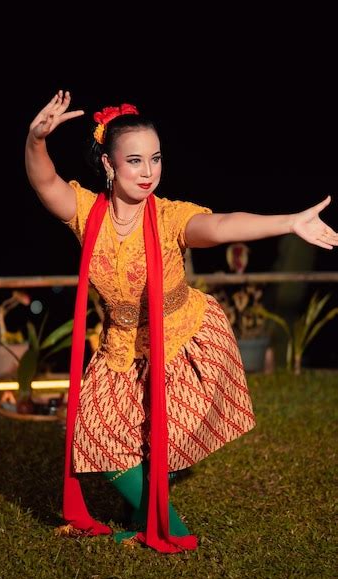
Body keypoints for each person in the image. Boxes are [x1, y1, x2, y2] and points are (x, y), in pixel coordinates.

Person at [25, 89, 337, 554]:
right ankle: (156, 517)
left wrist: (289, 222)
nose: (148, 171)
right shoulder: (87, 213)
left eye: (156, 158)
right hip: (122, 345)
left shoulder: (171, 216)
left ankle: (160, 523)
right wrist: (35, 140)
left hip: (182, 337)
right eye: (135, 160)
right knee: (92, 431)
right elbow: (44, 182)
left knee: (156, 440)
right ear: (109, 164)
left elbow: (222, 226)